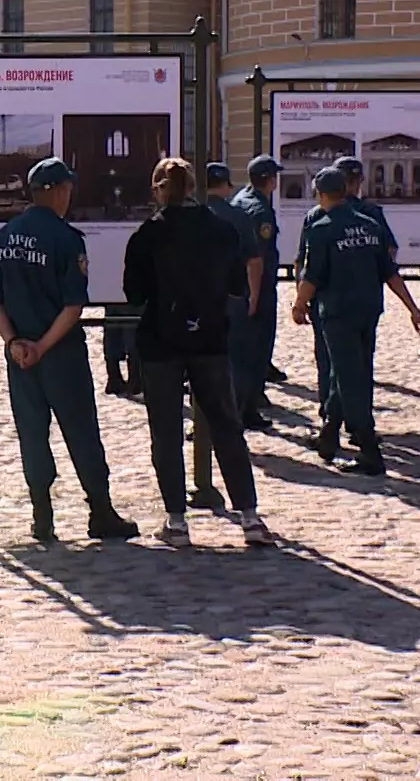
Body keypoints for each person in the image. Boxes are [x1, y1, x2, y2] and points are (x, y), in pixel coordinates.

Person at [0, 157, 139, 543]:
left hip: (20, 358)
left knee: (32, 434)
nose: (70, 195)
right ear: (55, 192)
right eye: (67, 188)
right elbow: (73, 306)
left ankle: (42, 516)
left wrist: (15, 343)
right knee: (82, 432)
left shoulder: (3, 237)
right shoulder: (67, 240)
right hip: (60, 354)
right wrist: (42, 345)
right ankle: (100, 512)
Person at [124, 158, 274, 546]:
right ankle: (250, 517)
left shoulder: (148, 235)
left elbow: (134, 294)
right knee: (226, 427)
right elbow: (237, 288)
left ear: (159, 190)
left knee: (167, 431)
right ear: (193, 188)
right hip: (210, 339)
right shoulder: (221, 230)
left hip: (161, 342)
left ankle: (177, 522)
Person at [292, 168, 420, 475]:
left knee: (350, 378)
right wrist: (413, 309)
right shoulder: (370, 225)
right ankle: (329, 434)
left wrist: (299, 304)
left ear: (321, 194)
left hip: (338, 313)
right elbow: (390, 272)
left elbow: (313, 275)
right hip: (368, 310)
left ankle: (369, 451)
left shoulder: (322, 227)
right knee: (351, 371)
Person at [297, 155, 395, 435]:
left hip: (331, 304)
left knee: (333, 362)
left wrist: (301, 299)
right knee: (358, 364)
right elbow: (388, 257)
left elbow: (305, 266)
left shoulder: (319, 217)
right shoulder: (371, 216)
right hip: (364, 301)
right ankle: (350, 422)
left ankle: (335, 421)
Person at [203, 161, 267, 431]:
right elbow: (254, 261)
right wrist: (253, 295)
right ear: (226, 187)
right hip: (233, 297)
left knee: (202, 361)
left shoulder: (194, 214)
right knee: (237, 360)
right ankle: (234, 416)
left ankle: (203, 420)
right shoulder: (239, 217)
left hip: (200, 300)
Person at [230, 156, 284, 426]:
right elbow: (259, 256)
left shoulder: (239, 200)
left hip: (238, 285)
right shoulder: (261, 210)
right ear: (270, 180)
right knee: (258, 348)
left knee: (242, 348)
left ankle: (245, 401)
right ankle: (249, 406)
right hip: (259, 286)